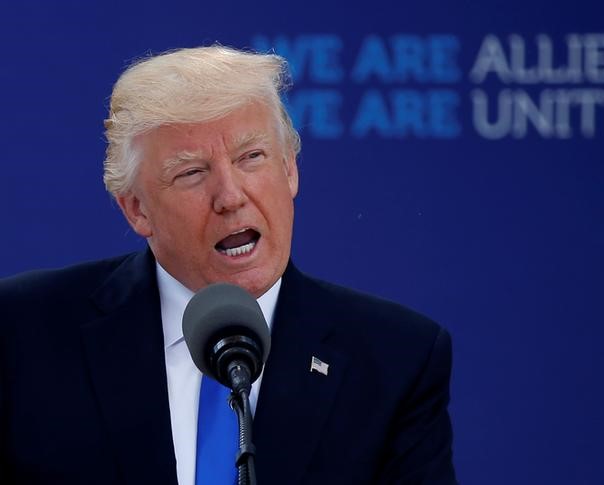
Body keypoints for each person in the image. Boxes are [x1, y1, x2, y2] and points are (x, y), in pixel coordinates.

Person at [0, 45, 457, 484]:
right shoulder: (23, 332)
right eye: (192, 172)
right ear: (136, 209)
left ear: (290, 169)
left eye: (250, 157)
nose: (231, 197)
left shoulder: (394, 359)